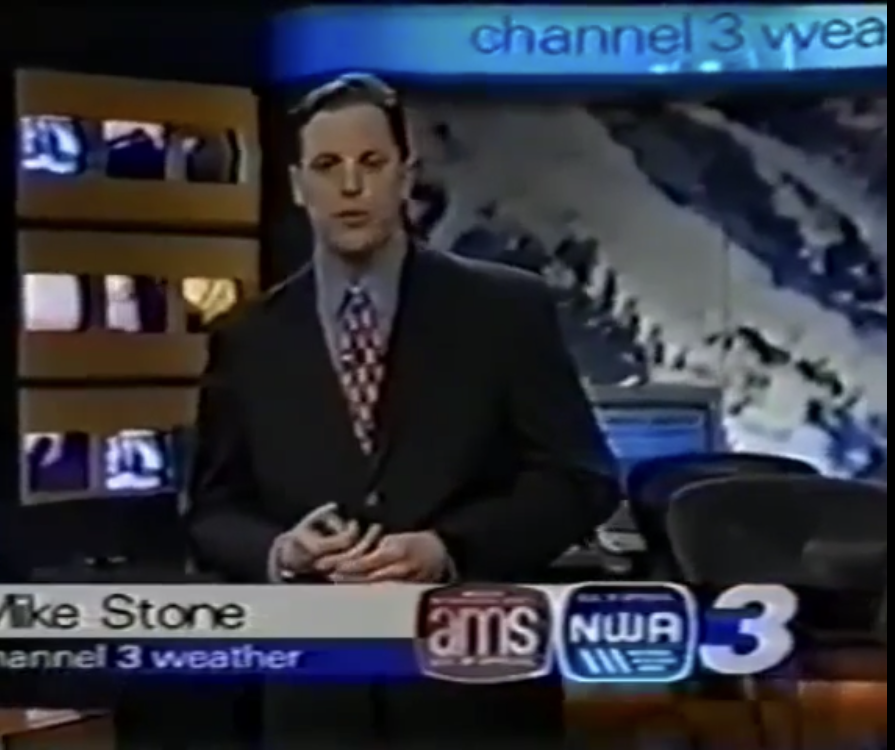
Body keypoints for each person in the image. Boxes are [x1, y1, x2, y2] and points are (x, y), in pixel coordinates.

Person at [185, 73, 619, 745]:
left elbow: (579, 479)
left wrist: (449, 549)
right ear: (299, 185)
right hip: (315, 704)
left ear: (405, 175)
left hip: (475, 696)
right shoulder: (249, 337)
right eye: (327, 166)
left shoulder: (504, 310)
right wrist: (283, 551)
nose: (350, 186)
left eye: (371, 163)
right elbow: (212, 511)